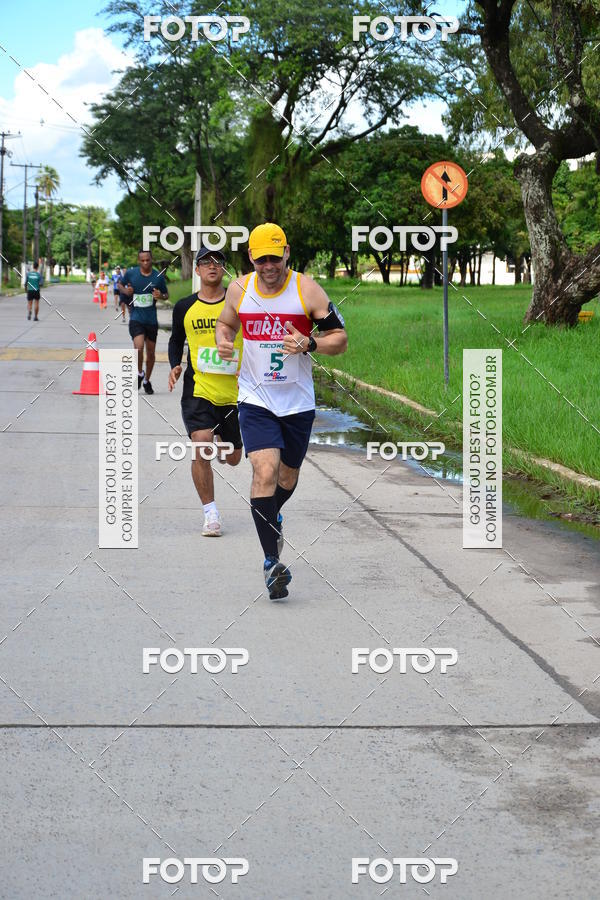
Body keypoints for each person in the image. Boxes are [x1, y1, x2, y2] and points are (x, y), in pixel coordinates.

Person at [216, 223, 348, 599]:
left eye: (275, 257)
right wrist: (224, 341)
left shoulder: (306, 289)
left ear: (287, 253)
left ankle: (271, 517)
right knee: (265, 469)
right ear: (251, 258)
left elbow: (340, 339)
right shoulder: (239, 288)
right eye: (262, 259)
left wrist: (310, 343)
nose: (269, 266)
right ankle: (272, 562)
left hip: (297, 403)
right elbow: (225, 324)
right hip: (255, 399)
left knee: (287, 475)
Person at [168, 246, 243, 536]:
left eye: (218, 262)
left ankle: (224, 439)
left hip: (235, 392)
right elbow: (176, 340)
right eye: (205, 262)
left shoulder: (239, 304)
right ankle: (210, 514)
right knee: (201, 444)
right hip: (198, 389)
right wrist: (175, 365)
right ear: (197, 270)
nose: (212, 266)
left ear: (224, 269)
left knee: (233, 458)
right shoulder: (184, 306)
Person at [119, 250, 168, 394]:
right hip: (136, 318)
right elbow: (120, 285)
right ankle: (139, 373)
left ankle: (146, 380)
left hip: (151, 319)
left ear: (151, 260)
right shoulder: (131, 274)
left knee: (151, 353)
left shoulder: (157, 276)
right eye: (143, 260)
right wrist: (126, 291)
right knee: (139, 347)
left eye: (148, 260)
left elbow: (166, 294)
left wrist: (161, 295)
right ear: (138, 261)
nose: (145, 263)